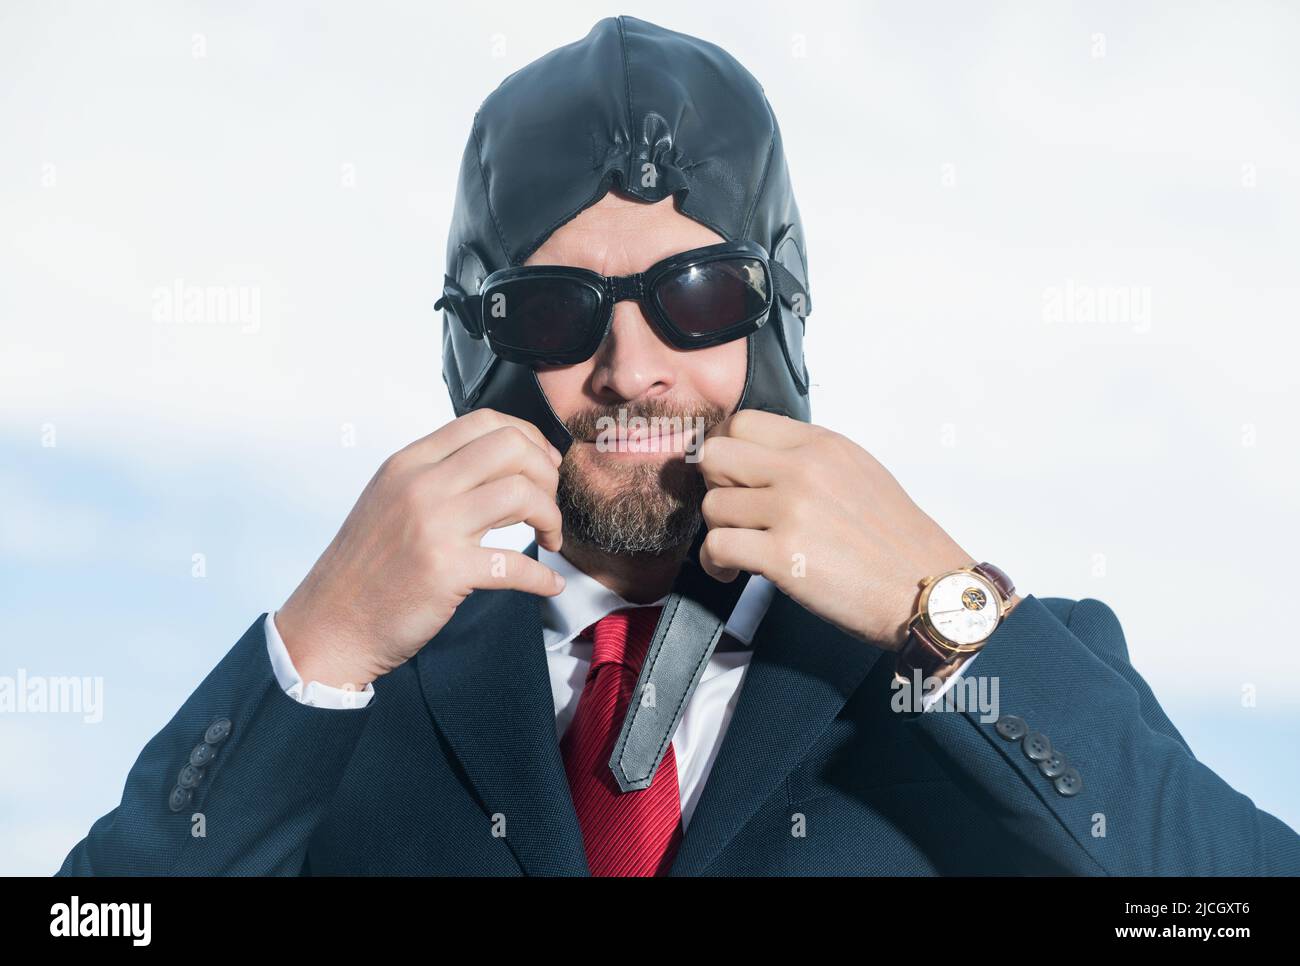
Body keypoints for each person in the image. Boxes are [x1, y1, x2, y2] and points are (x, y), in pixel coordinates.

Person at [57, 15, 1300, 876]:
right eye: (557, 308)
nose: (632, 365)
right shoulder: (353, 709)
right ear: (480, 343)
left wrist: (944, 610)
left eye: (694, 293)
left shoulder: (979, 674)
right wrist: (311, 652)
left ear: (774, 313)